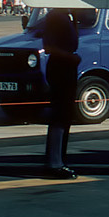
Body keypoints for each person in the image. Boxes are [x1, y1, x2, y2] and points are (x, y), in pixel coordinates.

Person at [41, 9, 81, 179]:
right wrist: (69, 57)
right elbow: (48, 47)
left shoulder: (67, 16)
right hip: (61, 66)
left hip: (66, 66)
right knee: (60, 115)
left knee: (65, 116)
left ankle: (59, 160)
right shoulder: (56, 17)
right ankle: (54, 163)